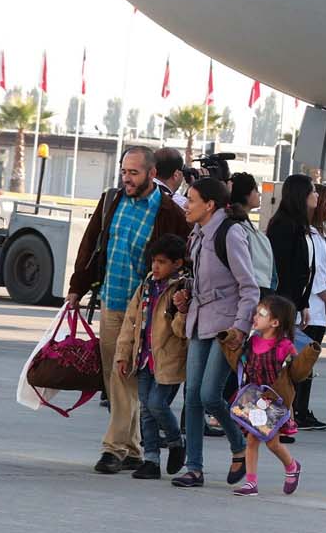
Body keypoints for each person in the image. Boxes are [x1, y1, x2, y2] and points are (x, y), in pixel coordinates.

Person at [65, 145, 189, 475]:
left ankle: (114, 448)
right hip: (112, 301)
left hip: (148, 311)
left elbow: (184, 257)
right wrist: (77, 286)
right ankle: (133, 449)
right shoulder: (112, 201)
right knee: (117, 377)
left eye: (133, 172)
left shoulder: (169, 213)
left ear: (151, 174)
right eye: (124, 171)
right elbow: (90, 244)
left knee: (125, 377)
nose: (127, 178)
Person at [170, 176, 261, 489]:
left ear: (209, 205)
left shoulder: (230, 233)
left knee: (210, 395)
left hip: (226, 328)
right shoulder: (197, 234)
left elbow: (249, 287)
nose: (187, 205)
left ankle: (239, 446)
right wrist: (184, 296)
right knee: (192, 397)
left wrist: (241, 327)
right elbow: (201, 279)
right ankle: (193, 468)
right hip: (199, 321)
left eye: (192, 200)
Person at [218, 295, 318, 496]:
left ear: (275, 322)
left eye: (261, 314)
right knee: (252, 441)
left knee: (273, 443)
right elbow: (238, 361)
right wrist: (227, 340)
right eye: (256, 312)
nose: (255, 316)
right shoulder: (252, 341)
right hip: (254, 399)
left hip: (274, 402)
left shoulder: (285, 346)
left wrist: (309, 355)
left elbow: (297, 373)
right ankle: (251, 483)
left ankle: (291, 466)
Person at [112, 232, 189, 479]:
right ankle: (152, 460)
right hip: (143, 359)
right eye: (154, 260)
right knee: (146, 409)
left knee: (156, 404)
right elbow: (130, 321)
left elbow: (181, 331)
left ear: (177, 263)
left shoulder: (182, 289)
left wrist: (182, 309)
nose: (155, 266)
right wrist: (124, 353)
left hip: (169, 360)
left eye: (162, 262)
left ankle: (176, 441)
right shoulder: (146, 286)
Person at [291, 184, 326, 431]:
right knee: (303, 361)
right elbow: (315, 271)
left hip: (324, 308)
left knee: (311, 361)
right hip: (312, 304)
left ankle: (303, 407)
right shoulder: (308, 234)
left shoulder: (325, 234)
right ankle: (296, 409)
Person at [264, 174, 315, 315]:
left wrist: (303, 303)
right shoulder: (283, 224)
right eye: (313, 191)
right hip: (282, 304)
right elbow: (281, 269)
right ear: (302, 194)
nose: (316, 195)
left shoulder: (301, 225)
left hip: (295, 303)